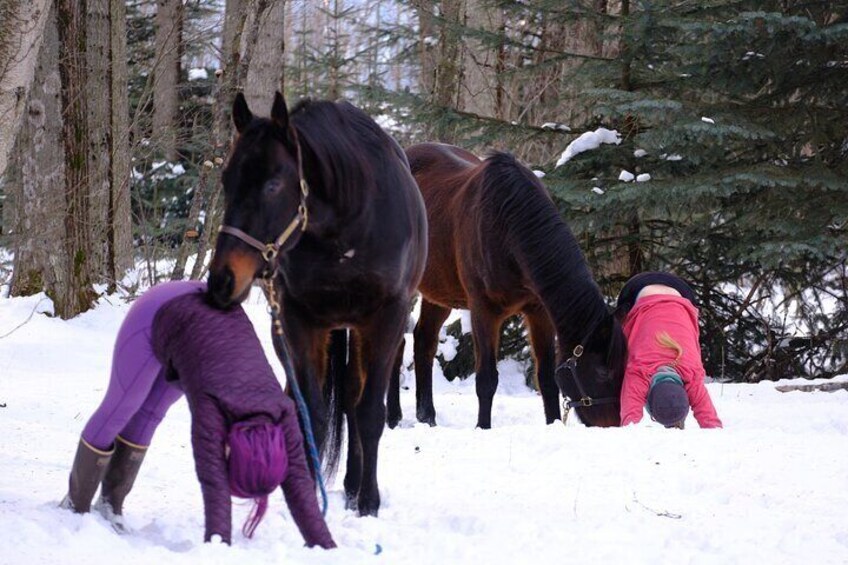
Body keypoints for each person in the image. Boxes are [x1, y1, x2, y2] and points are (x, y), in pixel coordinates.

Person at [60, 280, 335, 548]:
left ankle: (110, 504)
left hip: (199, 334)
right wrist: (218, 544)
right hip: (160, 310)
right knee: (122, 407)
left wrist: (327, 549)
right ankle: (75, 505)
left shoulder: (281, 410)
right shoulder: (212, 406)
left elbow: (298, 482)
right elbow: (213, 482)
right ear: (231, 453)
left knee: (150, 414)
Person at [615, 272, 723, 429]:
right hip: (639, 294)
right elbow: (629, 420)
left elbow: (709, 419)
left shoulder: (691, 374)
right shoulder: (638, 372)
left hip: (680, 296)